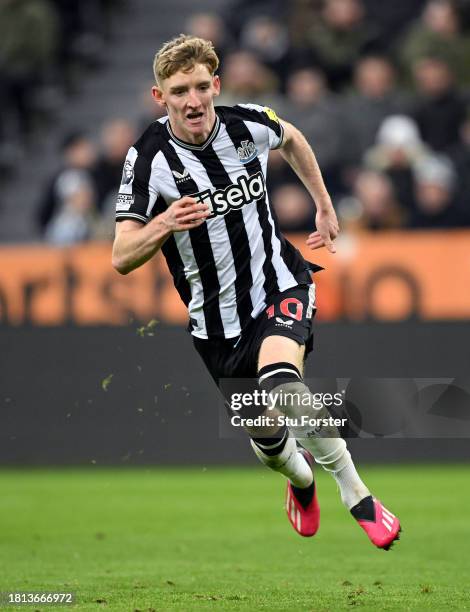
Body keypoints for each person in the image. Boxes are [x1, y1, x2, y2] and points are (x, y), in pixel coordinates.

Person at [112, 35, 401, 549]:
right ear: (161, 98)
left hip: (279, 283)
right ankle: (302, 481)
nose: (194, 100)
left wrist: (324, 205)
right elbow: (121, 255)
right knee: (268, 441)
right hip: (216, 325)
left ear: (217, 86)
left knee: (283, 384)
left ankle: (357, 494)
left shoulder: (246, 123)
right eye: (180, 91)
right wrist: (164, 224)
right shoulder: (148, 158)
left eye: (202, 87)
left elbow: (291, 137)